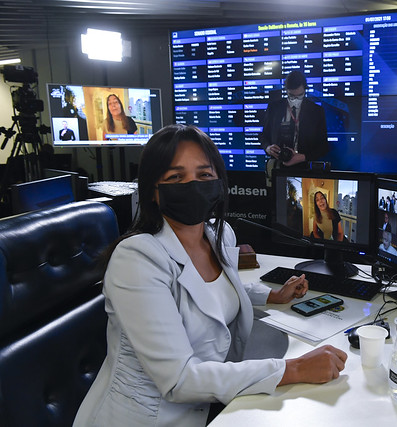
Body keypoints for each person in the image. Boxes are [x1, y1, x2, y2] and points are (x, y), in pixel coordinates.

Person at [73, 125, 347, 426]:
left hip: (212, 406)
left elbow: (214, 288)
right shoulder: (137, 259)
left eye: (204, 175)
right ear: (153, 190)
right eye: (176, 177)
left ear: (218, 181)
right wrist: (293, 368)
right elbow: (179, 380)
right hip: (148, 417)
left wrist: (270, 294)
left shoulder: (217, 233)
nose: (193, 185)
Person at [260, 70, 329, 180]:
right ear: (286, 91)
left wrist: (303, 157)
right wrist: (267, 148)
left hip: (305, 168)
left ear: (305, 90)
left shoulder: (316, 111)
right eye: (291, 96)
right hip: (278, 166)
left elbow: (323, 146)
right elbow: (263, 136)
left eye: (300, 96)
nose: (295, 100)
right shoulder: (273, 108)